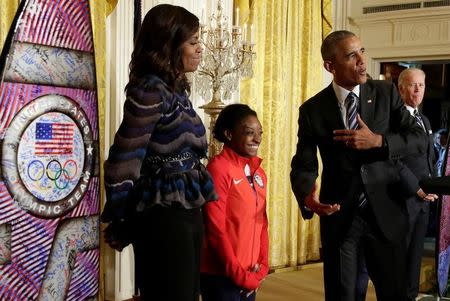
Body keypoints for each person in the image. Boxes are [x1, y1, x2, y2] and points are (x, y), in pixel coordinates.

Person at [290, 30, 427, 300]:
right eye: (352, 55)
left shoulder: (386, 93)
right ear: (330, 66)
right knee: (343, 295)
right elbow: (303, 164)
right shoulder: (313, 109)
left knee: (395, 294)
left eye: (362, 51)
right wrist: (308, 195)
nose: (362, 61)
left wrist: (378, 141)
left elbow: (419, 139)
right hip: (341, 217)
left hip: (386, 214)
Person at [101, 4, 217, 301]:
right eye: (193, 42)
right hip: (162, 214)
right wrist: (119, 215)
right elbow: (124, 158)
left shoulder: (177, 89)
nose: (200, 48)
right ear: (169, 45)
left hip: (187, 208)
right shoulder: (150, 89)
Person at [357, 68, 439, 301]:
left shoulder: (423, 120)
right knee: (397, 264)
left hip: (424, 201)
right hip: (401, 199)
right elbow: (393, 159)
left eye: (421, 85)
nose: (418, 90)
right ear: (400, 88)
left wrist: (431, 187)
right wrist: (416, 188)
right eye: (412, 85)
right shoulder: (391, 121)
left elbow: (428, 159)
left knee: (415, 260)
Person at [200, 104, 269, 301]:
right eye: (249, 133)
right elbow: (216, 229)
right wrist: (240, 275)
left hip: (250, 272)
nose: (257, 139)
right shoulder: (218, 169)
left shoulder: (259, 173)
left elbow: (262, 224)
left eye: (259, 133)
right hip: (220, 275)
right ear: (229, 134)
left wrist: (261, 268)